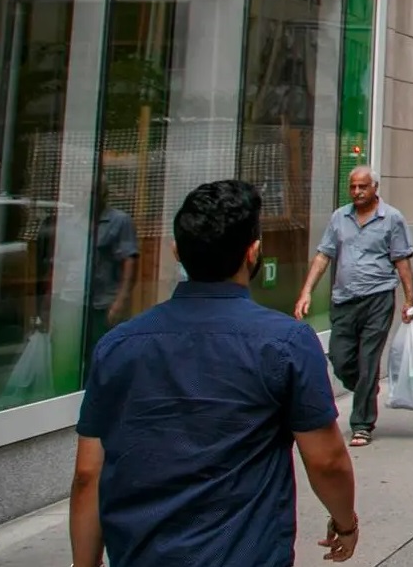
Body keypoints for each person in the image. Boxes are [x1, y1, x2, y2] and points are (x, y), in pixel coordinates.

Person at [70, 180, 360, 566]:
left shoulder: (118, 346)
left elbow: (89, 473)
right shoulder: (286, 343)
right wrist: (345, 523)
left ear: (177, 251)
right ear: (253, 253)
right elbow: (326, 461)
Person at [295, 167, 413, 448]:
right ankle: (366, 390)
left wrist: (410, 300)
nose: (357, 192)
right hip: (344, 300)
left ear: (375, 188)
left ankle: (361, 424)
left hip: (378, 298)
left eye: (362, 187)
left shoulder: (392, 218)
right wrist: (306, 291)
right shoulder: (340, 217)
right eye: (353, 187)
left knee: (368, 362)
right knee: (340, 357)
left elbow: (402, 261)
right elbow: (324, 255)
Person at [87, 179, 138, 356]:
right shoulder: (79, 219)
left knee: (105, 353)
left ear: (103, 194)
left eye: (94, 192)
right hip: (77, 303)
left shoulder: (119, 221)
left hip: (104, 302)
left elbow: (129, 261)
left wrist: (120, 301)